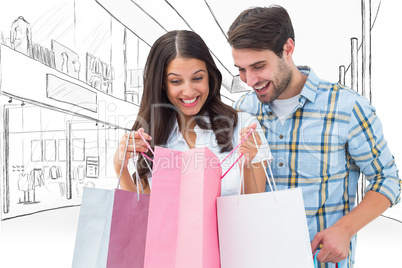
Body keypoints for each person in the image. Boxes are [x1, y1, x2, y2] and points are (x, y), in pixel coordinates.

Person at [227, 5, 401, 268]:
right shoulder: (243, 110)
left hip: (319, 262)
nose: (250, 80)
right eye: (241, 69)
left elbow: (387, 179)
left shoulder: (347, 107)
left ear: (287, 49)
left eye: (258, 66)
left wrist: (345, 229)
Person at [113, 30, 271, 197]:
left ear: (209, 77)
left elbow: (254, 207)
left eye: (197, 78)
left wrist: (247, 165)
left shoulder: (244, 127)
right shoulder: (150, 138)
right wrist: (120, 167)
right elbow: (142, 216)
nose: (188, 91)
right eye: (176, 81)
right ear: (162, 84)